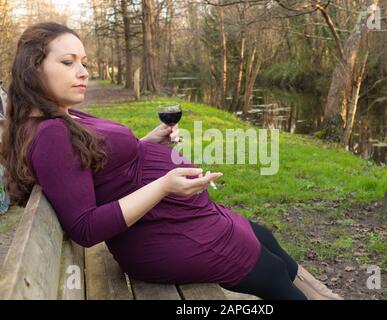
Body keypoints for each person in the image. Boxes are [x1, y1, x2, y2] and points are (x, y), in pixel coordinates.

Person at [0, 22, 342, 300]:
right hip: (157, 237)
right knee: (270, 272)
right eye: (68, 62)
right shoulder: (50, 135)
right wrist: (164, 185)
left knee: (265, 238)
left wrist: (149, 141)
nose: (83, 71)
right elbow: (86, 228)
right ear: (34, 67)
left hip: (175, 219)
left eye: (84, 62)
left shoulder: (64, 116)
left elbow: (99, 162)